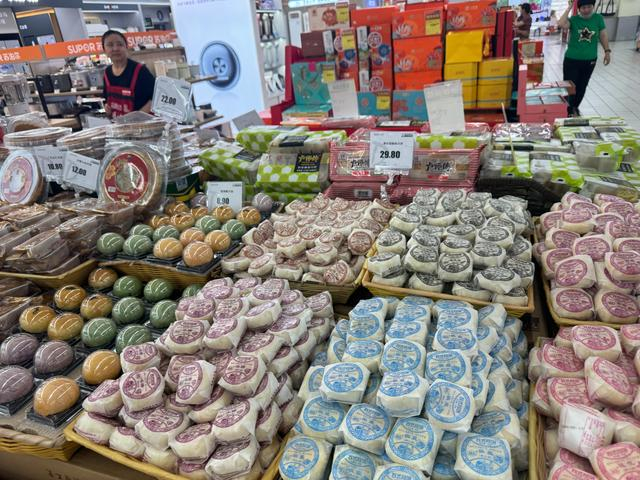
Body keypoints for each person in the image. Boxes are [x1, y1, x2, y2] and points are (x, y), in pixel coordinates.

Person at [558, 0, 610, 116]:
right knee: (569, 86)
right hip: (572, 60)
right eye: (583, 8)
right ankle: (568, 109)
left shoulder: (598, 19)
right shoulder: (574, 20)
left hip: (589, 60)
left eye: (589, 7)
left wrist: (607, 51)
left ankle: (575, 107)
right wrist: (569, 8)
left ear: (593, 6)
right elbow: (561, 24)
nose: (586, 10)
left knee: (582, 86)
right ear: (579, 9)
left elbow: (603, 35)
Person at [101, 30, 156, 118]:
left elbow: (155, 98)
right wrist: (107, 107)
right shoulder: (107, 73)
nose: (115, 49)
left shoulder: (140, 71)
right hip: (119, 123)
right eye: (110, 45)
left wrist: (137, 118)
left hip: (143, 123)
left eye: (120, 44)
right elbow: (106, 99)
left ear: (126, 47)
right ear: (104, 50)